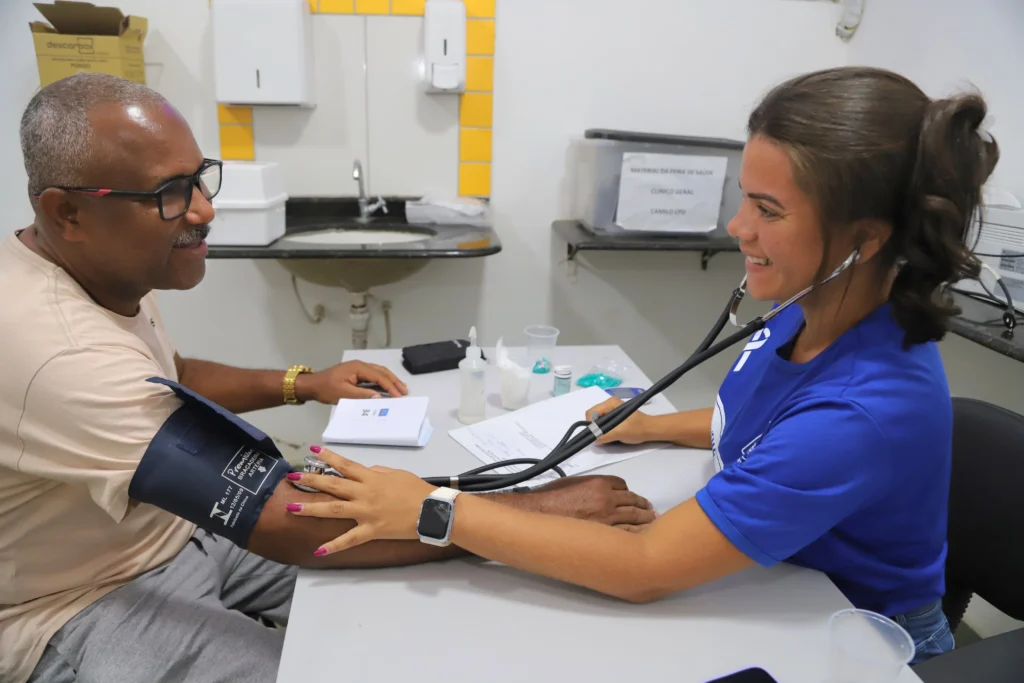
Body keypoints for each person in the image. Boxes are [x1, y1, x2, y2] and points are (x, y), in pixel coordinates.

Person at [286, 66, 1001, 665]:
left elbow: (646, 565)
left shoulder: (866, 408)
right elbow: (761, 419)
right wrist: (657, 426)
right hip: (778, 579)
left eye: (767, 209)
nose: (737, 227)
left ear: (863, 240)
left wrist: (433, 509)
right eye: (744, 198)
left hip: (850, 638)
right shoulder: (816, 304)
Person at [0, 73, 656, 683]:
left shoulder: (100, 269)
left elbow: (169, 377)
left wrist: (305, 383)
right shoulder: (54, 351)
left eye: (200, 179)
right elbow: (282, 521)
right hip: (81, 599)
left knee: (436, 588)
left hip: (176, 527)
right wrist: (538, 513)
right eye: (169, 194)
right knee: (339, 662)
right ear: (69, 213)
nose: (203, 210)